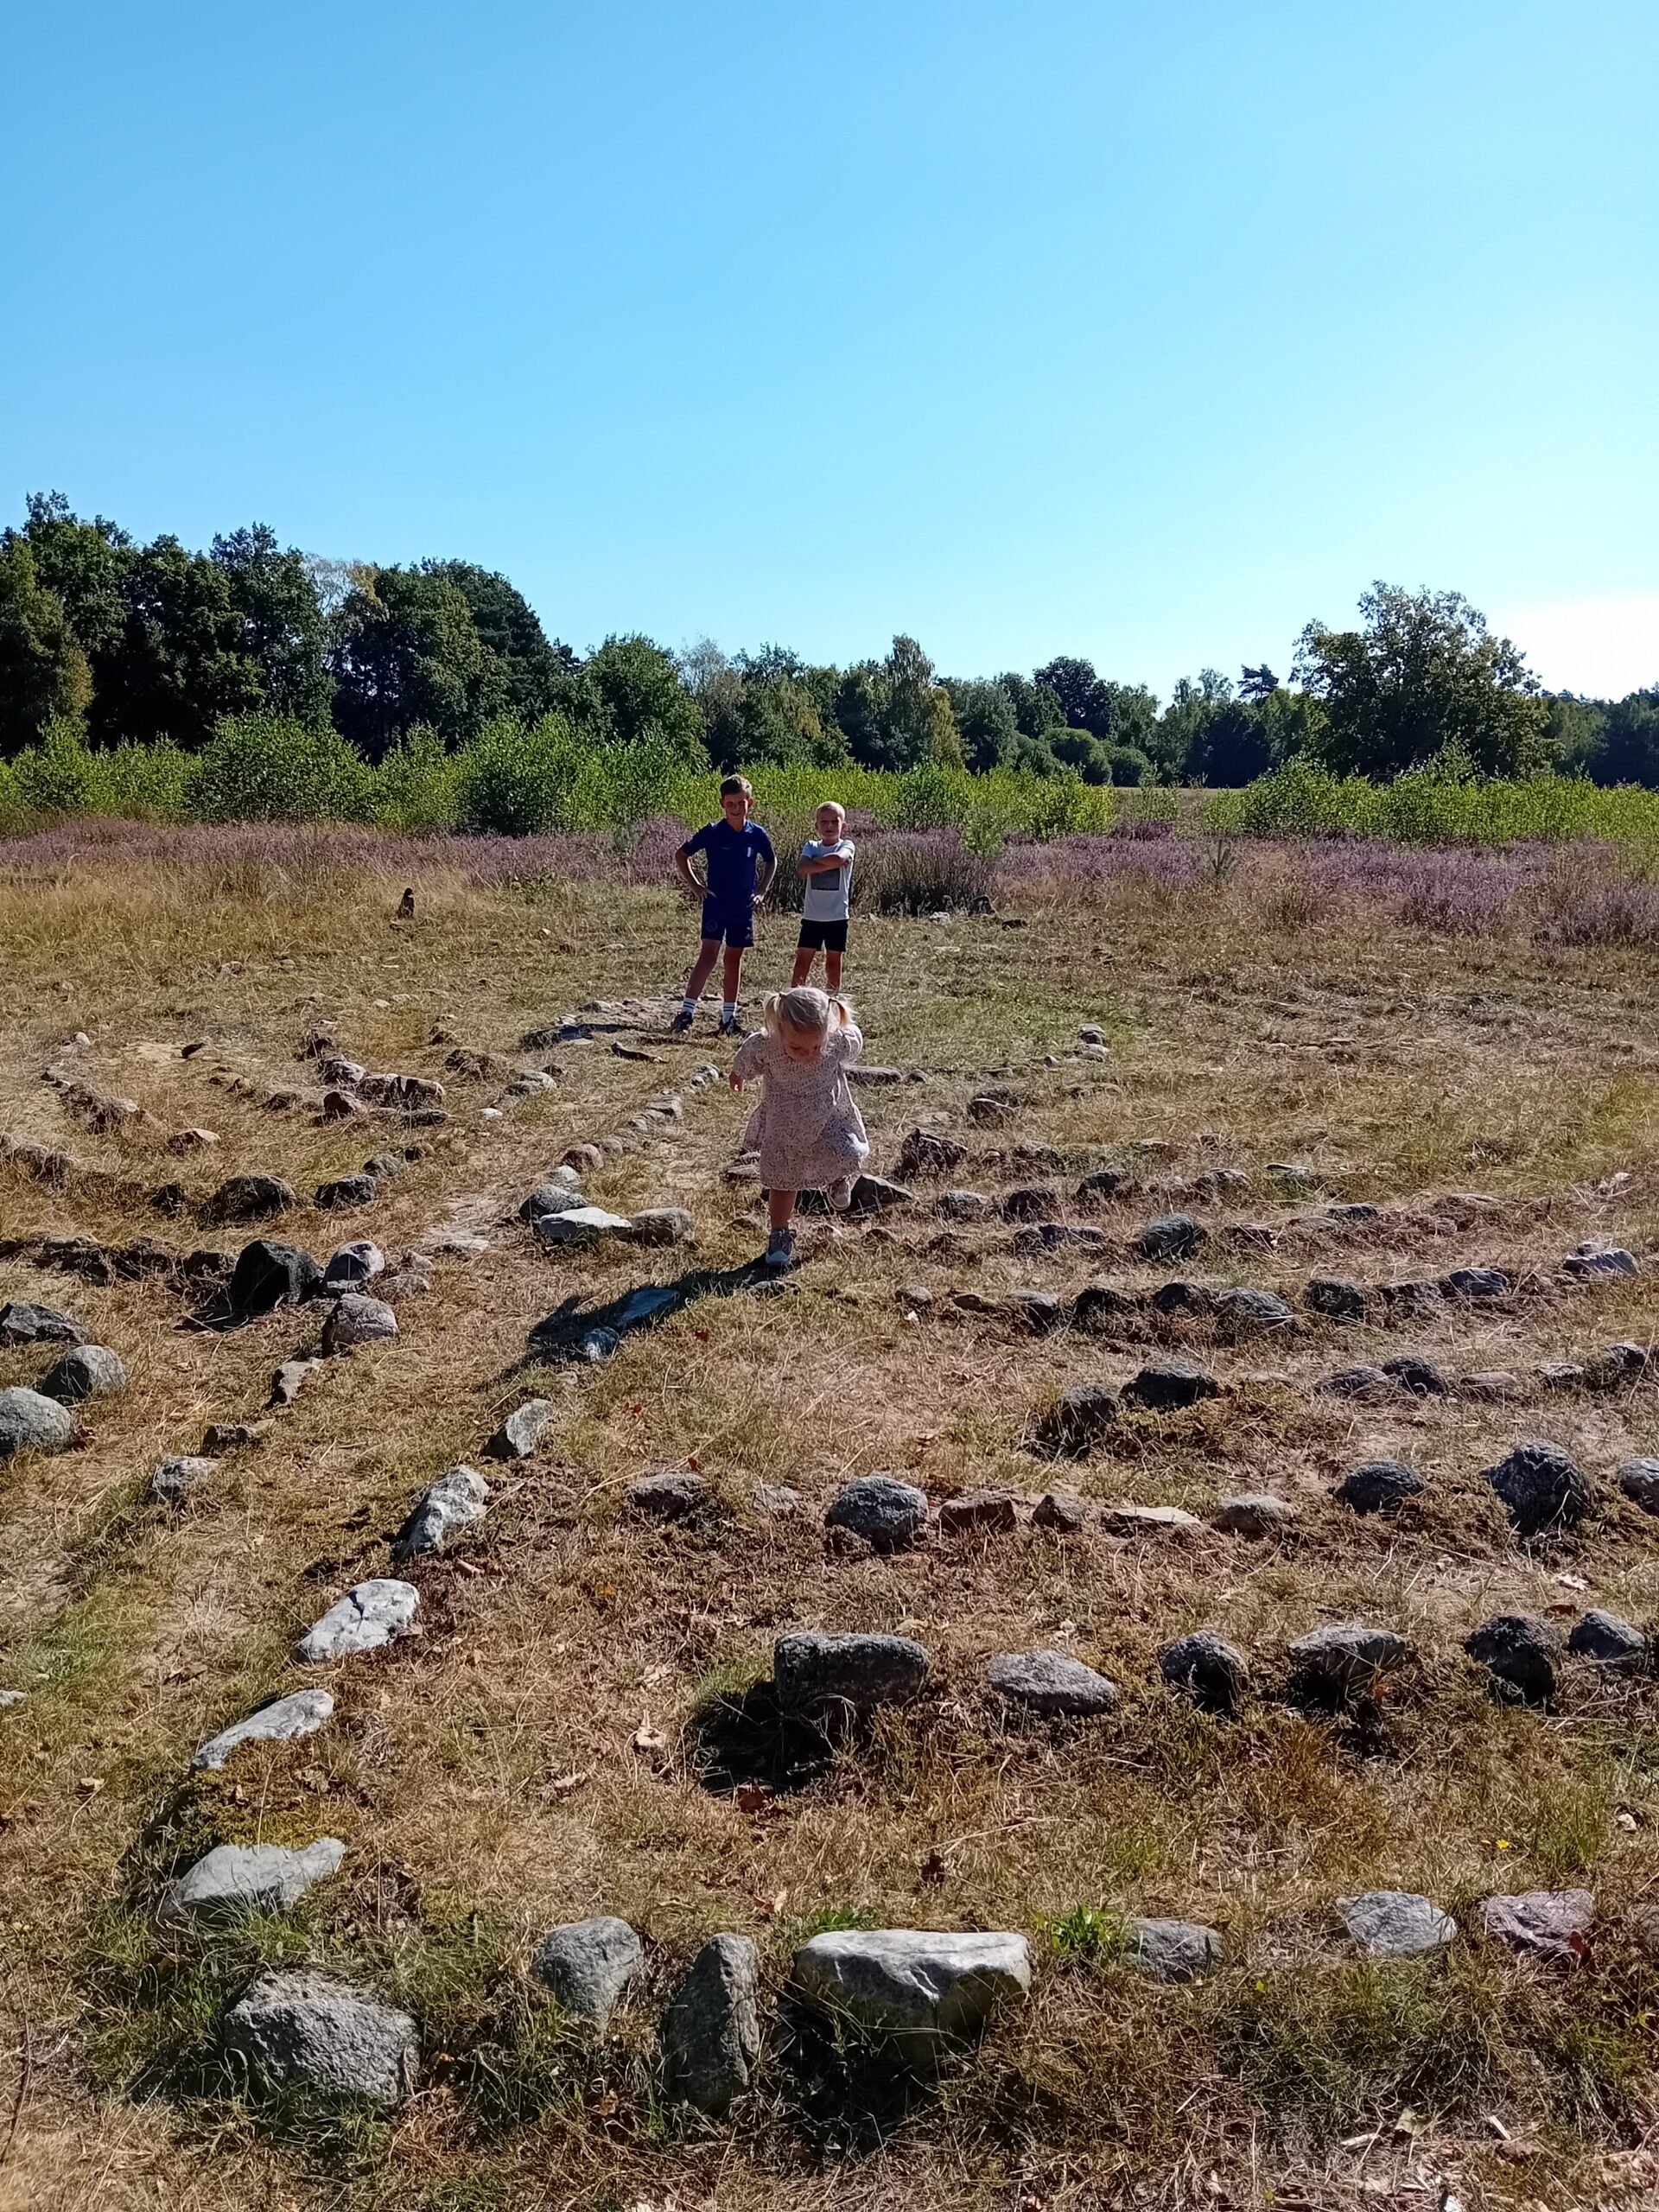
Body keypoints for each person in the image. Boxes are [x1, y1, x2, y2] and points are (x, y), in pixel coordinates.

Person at [729, 986, 868, 1266]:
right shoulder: (768, 1045)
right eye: (797, 1047)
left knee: (847, 1153)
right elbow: (749, 1053)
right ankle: (779, 1234)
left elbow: (855, 1039)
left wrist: (845, 1027)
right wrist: (738, 1072)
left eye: (816, 1047)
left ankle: (837, 1179)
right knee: (783, 1180)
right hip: (784, 1128)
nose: (808, 1054)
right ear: (779, 1029)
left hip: (827, 1120)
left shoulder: (836, 1041)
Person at [671, 775, 776, 1035]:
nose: (736, 808)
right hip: (716, 905)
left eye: (741, 802)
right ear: (722, 804)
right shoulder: (713, 832)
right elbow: (681, 855)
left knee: (734, 960)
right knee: (708, 957)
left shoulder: (757, 834)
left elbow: (772, 861)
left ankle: (728, 1019)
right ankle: (686, 1014)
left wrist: (761, 891)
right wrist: (696, 887)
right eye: (731, 803)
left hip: (742, 907)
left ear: (750, 802)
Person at [791, 800, 855, 993]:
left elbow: (839, 858)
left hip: (837, 917)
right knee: (802, 961)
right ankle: (795, 999)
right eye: (824, 822)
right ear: (817, 825)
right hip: (812, 917)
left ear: (843, 826)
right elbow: (802, 868)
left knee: (833, 963)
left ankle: (832, 1000)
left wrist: (816, 864)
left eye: (834, 822)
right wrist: (829, 863)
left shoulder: (847, 845)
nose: (829, 826)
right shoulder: (811, 846)